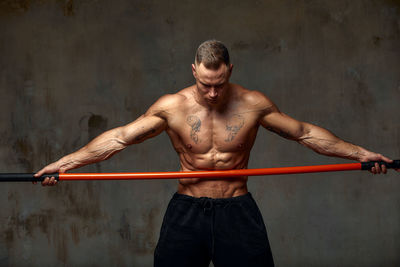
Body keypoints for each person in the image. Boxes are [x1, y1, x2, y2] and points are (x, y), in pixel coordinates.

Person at [35, 40, 395, 267]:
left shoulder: (253, 104)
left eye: (219, 84)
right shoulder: (172, 107)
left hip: (237, 211)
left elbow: (304, 134)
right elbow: (119, 139)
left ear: (230, 71)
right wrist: (64, 165)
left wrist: (361, 154)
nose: (211, 93)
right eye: (204, 84)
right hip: (187, 212)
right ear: (194, 71)